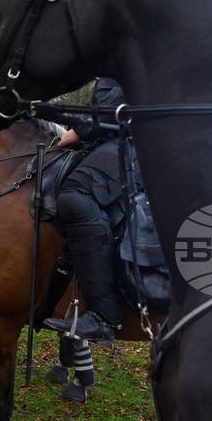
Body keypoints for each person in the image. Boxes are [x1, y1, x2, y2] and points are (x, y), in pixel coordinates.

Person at [43, 78, 127, 344]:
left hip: (135, 139)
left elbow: (124, 94)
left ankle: (103, 315)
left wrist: (79, 130)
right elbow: (96, 104)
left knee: (74, 195)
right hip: (106, 139)